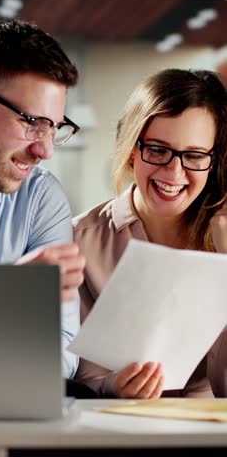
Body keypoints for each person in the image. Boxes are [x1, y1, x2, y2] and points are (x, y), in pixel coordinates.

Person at [73, 68, 227, 398]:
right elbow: (75, 369)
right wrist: (112, 384)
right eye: (157, 150)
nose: (174, 172)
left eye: (194, 155)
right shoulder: (79, 240)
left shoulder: (222, 237)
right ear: (131, 149)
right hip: (117, 432)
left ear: (212, 162)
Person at [0, 18, 86, 381]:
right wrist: (9, 298)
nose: (44, 150)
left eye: (54, 128)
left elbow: (61, 353)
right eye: (31, 122)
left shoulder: (40, 198)